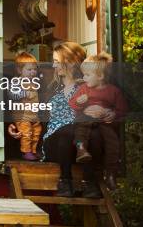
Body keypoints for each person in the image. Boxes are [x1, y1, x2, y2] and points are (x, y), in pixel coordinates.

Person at [41, 41, 104, 198]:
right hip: (55, 143)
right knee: (68, 130)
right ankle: (65, 180)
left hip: (79, 144)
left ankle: (90, 183)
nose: (54, 66)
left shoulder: (87, 86)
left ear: (70, 62)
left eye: (57, 62)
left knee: (93, 133)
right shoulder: (51, 88)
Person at [69, 52, 127, 190]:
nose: (84, 78)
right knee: (80, 133)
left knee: (113, 144)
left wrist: (112, 114)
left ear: (100, 76)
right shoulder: (84, 89)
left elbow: (122, 110)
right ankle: (81, 149)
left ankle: (111, 174)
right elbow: (72, 104)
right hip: (85, 120)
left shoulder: (113, 92)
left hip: (103, 123)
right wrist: (78, 101)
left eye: (87, 75)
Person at [9, 52, 42, 161]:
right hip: (22, 115)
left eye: (34, 69)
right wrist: (23, 93)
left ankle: (33, 150)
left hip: (33, 114)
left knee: (36, 131)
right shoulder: (16, 81)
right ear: (19, 70)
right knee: (26, 133)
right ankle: (26, 151)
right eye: (29, 69)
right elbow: (12, 94)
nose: (33, 72)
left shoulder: (34, 82)